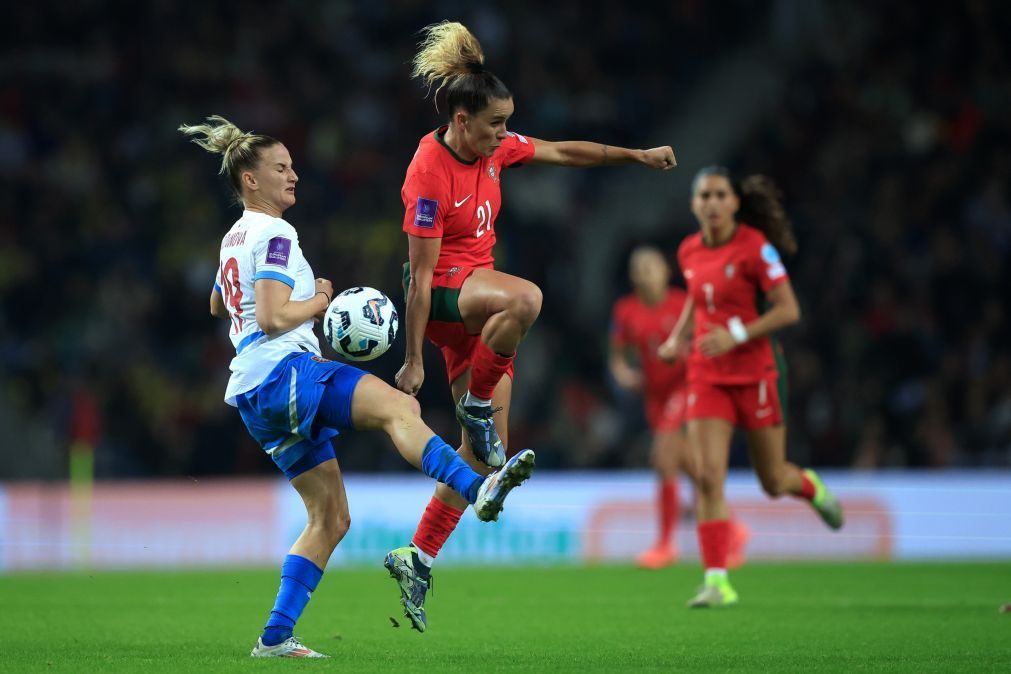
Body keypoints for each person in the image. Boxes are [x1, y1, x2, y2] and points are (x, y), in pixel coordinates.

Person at [180, 115, 535, 657]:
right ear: (251, 179)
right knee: (399, 407)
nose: (293, 175)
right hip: (285, 372)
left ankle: (274, 638)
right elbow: (275, 317)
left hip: (253, 394)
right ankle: (478, 487)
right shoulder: (275, 232)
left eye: (292, 165)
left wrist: (266, 303)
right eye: (281, 168)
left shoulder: (235, 237)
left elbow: (216, 303)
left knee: (331, 517)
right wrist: (321, 298)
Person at [385, 20, 677, 632]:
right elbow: (417, 279)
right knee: (527, 300)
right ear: (462, 120)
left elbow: (566, 152)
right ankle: (477, 405)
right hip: (444, 298)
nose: (504, 132)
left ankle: (417, 556)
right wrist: (413, 359)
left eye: (506, 122)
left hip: (479, 307)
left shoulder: (494, 149)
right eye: (495, 123)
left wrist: (636, 155)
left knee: (484, 458)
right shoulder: (428, 172)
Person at [658, 166, 844, 608]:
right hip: (706, 373)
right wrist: (678, 337)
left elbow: (789, 310)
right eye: (704, 196)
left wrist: (736, 335)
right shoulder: (688, 251)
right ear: (694, 204)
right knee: (707, 477)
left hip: (756, 372)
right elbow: (695, 298)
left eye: (721, 195)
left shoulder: (755, 249)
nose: (713, 203)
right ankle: (717, 581)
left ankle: (810, 487)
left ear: (736, 203)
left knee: (773, 480)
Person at [610, 246, 748, 569]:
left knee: (662, 457)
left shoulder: (680, 305)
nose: (645, 273)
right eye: (639, 268)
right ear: (632, 277)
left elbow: (704, 341)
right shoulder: (625, 311)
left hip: (685, 386)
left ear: (665, 272)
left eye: (651, 267)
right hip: (654, 396)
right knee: (691, 467)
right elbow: (617, 357)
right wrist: (623, 375)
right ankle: (733, 531)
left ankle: (665, 543)